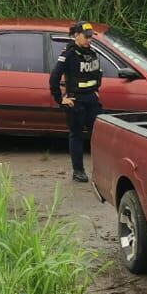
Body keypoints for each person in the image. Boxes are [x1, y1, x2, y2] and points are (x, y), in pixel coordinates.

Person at [49, 21, 102, 182]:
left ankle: (100, 171)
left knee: (99, 136)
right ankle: (78, 171)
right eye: (86, 37)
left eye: (91, 37)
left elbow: (96, 74)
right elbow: (54, 79)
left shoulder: (91, 52)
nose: (89, 40)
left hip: (92, 100)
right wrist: (61, 99)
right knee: (77, 135)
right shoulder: (69, 54)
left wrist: (96, 92)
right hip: (76, 101)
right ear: (76, 36)